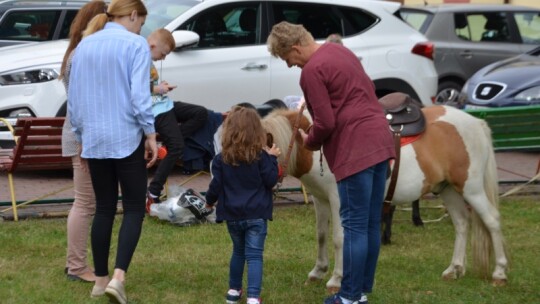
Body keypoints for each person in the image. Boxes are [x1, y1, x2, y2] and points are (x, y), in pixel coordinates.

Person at [267, 22, 395, 304]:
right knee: (371, 223)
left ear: (295, 48)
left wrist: (308, 140)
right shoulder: (341, 52)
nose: (289, 65)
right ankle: (361, 291)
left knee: (354, 226)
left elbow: (325, 122)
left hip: (354, 149)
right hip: (381, 141)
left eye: (286, 58)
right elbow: (367, 89)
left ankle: (348, 297)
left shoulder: (311, 71)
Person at [67, 0, 157, 303]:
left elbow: (74, 100)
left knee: (104, 208)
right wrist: (151, 134)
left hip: (94, 137)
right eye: (140, 22)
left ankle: (100, 279)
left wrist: (80, 135)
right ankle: (118, 277)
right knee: (133, 208)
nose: (139, 27)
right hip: (126, 135)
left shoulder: (84, 47)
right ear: (133, 15)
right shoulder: (136, 44)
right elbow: (139, 95)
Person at [204, 106, 281, 304]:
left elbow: (215, 186)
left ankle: (233, 291)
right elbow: (271, 180)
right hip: (256, 214)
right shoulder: (262, 157)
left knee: (238, 252)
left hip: (232, 215)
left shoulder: (221, 159)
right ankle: (253, 297)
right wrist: (273, 158)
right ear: (257, 131)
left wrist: (209, 202)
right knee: (254, 256)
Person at [59, 0, 107, 283]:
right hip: (82, 137)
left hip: (80, 134)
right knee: (85, 203)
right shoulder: (83, 56)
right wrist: (84, 141)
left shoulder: (74, 52)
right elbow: (83, 103)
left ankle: (75, 263)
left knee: (86, 202)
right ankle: (76, 266)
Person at [145, 28, 208, 208]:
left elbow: (150, 85)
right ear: (152, 45)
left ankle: (170, 141)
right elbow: (138, 88)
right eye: (163, 54)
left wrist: (160, 86)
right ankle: (153, 191)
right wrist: (159, 89)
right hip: (156, 110)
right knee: (177, 147)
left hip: (166, 105)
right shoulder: (140, 58)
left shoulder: (148, 58)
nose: (163, 58)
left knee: (201, 113)